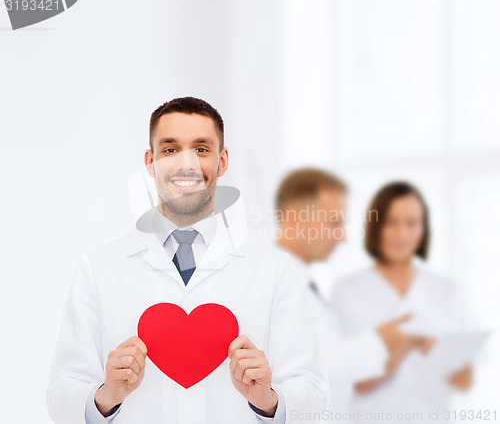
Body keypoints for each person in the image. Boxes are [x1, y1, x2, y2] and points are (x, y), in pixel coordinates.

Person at [46, 97, 329, 424]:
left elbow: (314, 392)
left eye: (201, 149)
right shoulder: (98, 269)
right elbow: (61, 392)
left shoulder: (273, 271)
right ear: (150, 163)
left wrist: (267, 401)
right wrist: (106, 396)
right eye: (170, 150)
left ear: (222, 162)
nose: (186, 164)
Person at [274, 169, 420, 422]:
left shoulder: (307, 284)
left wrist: (392, 349)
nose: (342, 237)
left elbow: (334, 371)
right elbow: (297, 375)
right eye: (333, 222)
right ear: (295, 218)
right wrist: (379, 342)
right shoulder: (271, 284)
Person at [332, 181, 473, 423]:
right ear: (376, 227)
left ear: (423, 229)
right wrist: (410, 341)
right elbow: (360, 382)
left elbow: (464, 380)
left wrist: (414, 346)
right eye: (391, 222)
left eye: (411, 223)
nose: (402, 234)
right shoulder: (348, 291)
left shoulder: (448, 290)